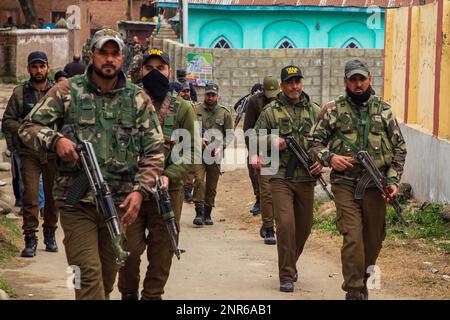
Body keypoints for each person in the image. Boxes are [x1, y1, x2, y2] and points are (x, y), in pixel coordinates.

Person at [18, 28, 165, 300]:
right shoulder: (67, 91)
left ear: (123, 57)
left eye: (115, 53)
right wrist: (55, 140)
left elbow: (155, 151)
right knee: (86, 278)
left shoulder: (137, 99)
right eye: (103, 53)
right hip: (77, 204)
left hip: (119, 205)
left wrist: (139, 190)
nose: (109, 59)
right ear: (91, 55)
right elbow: (28, 127)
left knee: (105, 281)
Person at [308, 59, 407, 300]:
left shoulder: (384, 110)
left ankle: (362, 280)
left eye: (362, 79)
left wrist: (393, 181)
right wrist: (330, 158)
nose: (358, 84)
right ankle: (353, 290)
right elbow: (313, 141)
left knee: (373, 240)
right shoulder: (333, 110)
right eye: (353, 79)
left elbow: (399, 148)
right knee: (353, 236)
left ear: (370, 79)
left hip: (376, 185)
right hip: (345, 183)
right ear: (345, 82)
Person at [118, 48, 196, 300]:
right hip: (132, 190)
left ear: (169, 71)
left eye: (160, 68)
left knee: (162, 251)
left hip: (166, 191)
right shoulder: (126, 102)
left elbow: (191, 151)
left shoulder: (182, 108)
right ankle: (128, 292)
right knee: (127, 248)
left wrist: (169, 176)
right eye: (149, 68)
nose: (154, 73)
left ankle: (152, 295)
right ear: (141, 72)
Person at [250, 65, 321, 293]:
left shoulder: (315, 111)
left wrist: (323, 160)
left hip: (306, 177)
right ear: (281, 85)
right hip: (279, 176)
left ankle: (291, 262)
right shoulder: (270, 112)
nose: (294, 86)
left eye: (297, 81)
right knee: (285, 225)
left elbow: (327, 141)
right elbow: (254, 138)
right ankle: (286, 274)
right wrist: (272, 140)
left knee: (305, 227)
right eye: (290, 82)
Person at [2, 51, 59, 257]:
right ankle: (30, 237)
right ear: (28, 69)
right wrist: (25, 129)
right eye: (34, 67)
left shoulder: (56, 93)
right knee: (31, 196)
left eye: (41, 66)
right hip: (29, 153)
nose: (38, 70)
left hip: (52, 154)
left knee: (53, 198)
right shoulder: (20, 93)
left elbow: (67, 121)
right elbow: (7, 121)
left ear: (47, 68)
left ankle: (50, 234)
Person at [243, 76, 279, 244]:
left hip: (282, 150)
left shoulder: (284, 99)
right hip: (262, 149)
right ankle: (269, 228)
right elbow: (248, 129)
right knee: (266, 192)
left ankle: (271, 224)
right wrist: (253, 154)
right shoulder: (254, 101)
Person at [192, 83, 233, 226]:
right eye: (208, 94)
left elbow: (230, 134)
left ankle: (208, 212)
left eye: (213, 95)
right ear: (204, 95)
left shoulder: (224, 113)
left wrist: (220, 146)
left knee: (211, 185)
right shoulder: (195, 110)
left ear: (217, 96)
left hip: (215, 155)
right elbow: (188, 129)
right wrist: (198, 139)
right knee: (199, 180)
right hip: (198, 153)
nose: (210, 98)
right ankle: (198, 211)